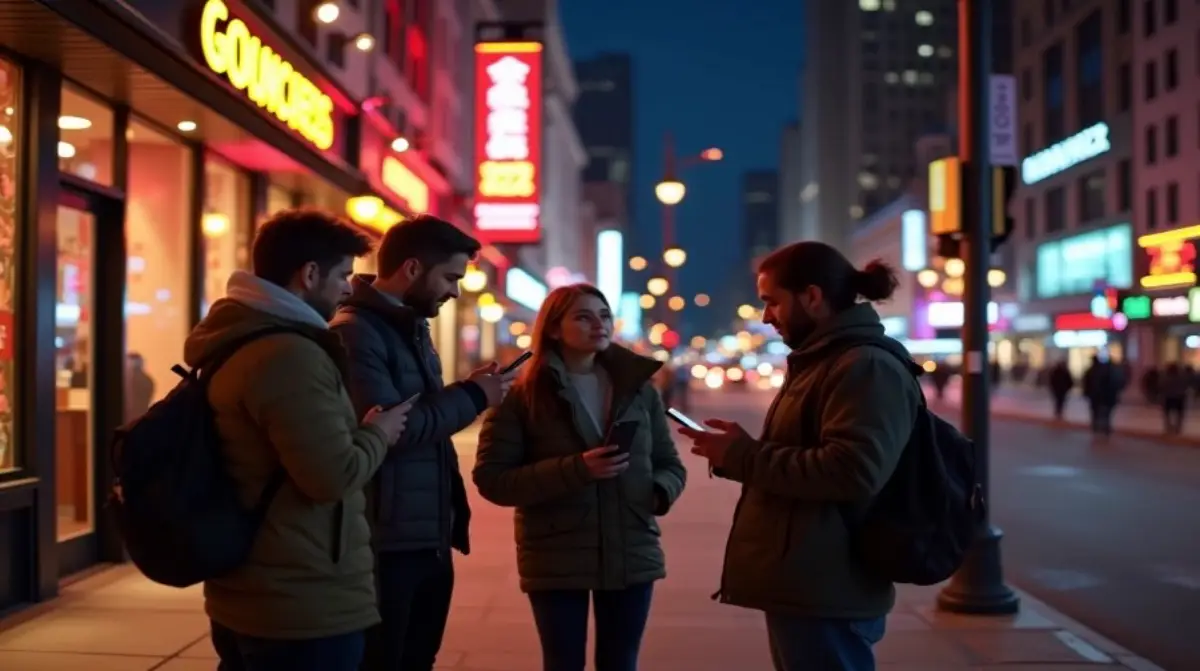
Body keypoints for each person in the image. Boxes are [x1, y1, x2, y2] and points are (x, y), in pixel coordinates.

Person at [183, 208, 413, 671]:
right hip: (301, 603)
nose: (350, 288)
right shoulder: (289, 355)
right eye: (343, 275)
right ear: (309, 274)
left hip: (254, 587)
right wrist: (378, 433)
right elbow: (332, 476)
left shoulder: (244, 336)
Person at [678, 241, 920, 671]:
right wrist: (740, 451)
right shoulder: (824, 360)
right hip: (811, 580)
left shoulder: (862, 365)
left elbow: (852, 470)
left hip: (829, 587)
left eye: (772, 302)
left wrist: (745, 456)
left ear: (812, 296)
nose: (766, 316)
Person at [330, 214, 514, 671]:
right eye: (450, 277)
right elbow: (394, 428)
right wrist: (473, 396)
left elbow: (420, 417)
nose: (455, 291)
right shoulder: (356, 331)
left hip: (425, 534)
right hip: (385, 540)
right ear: (413, 268)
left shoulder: (409, 326)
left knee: (417, 658)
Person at [473, 283, 687, 671]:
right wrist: (578, 469)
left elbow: (669, 464)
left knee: (621, 662)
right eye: (583, 317)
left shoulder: (638, 389)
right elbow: (492, 478)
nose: (598, 325)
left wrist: (654, 495)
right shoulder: (521, 395)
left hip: (631, 546)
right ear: (554, 329)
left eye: (604, 316)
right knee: (562, 662)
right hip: (556, 550)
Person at [1083, 353, 1122, 440]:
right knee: (1105, 413)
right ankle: (1104, 428)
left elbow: (1088, 384)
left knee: (1097, 412)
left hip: (1099, 396)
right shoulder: (1110, 371)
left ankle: (1098, 427)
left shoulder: (1094, 371)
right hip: (1105, 396)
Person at [1160, 362, 1189, 435]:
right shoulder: (1182, 377)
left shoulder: (1165, 377)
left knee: (1167, 413)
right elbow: (1185, 385)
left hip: (1168, 397)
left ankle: (1168, 427)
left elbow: (1161, 385)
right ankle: (1178, 427)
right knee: (1179, 413)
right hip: (1179, 397)